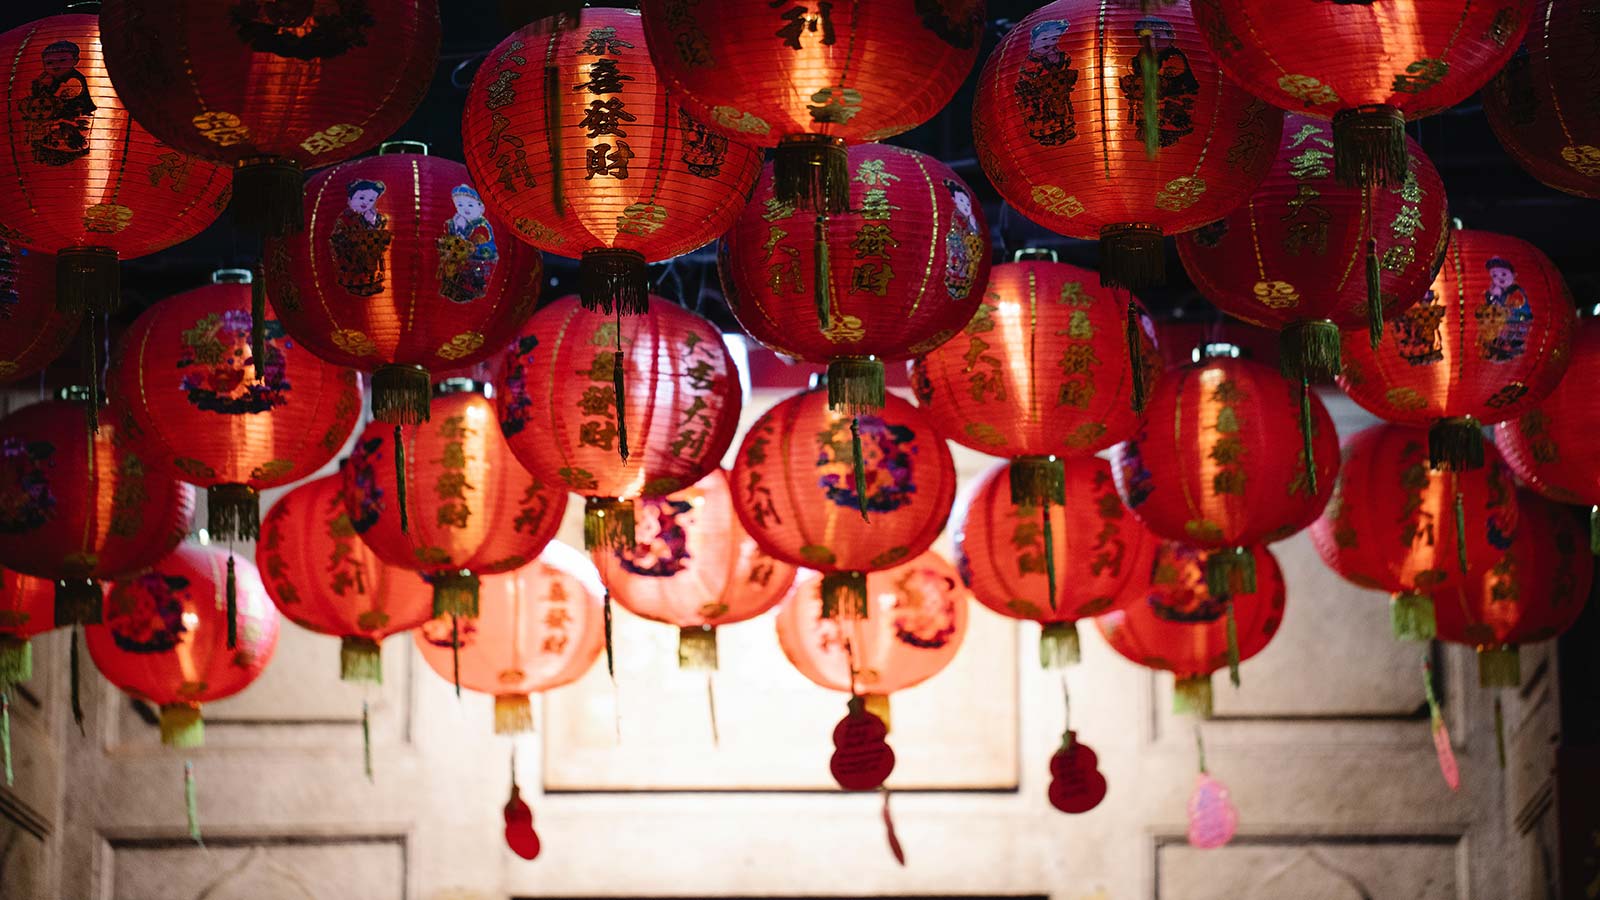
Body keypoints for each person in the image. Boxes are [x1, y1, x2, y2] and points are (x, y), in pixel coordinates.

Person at [24, 40, 95, 166]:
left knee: (68, 139)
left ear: (75, 61)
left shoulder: (74, 79)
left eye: (62, 61)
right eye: (50, 62)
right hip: (55, 119)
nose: (56, 66)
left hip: (74, 115)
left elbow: (57, 98)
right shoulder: (49, 78)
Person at [1014, 19, 1078, 146]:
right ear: (1033, 42)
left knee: (1063, 113)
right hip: (1039, 99)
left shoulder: (1062, 56)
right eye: (1044, 39)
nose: (1048, 43)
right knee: (1044, 118)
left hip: (1059, 94)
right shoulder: (1030, 63)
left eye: (1054, 39)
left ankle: (1065, 130)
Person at [330, 179, 392, 297]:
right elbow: (337, 237)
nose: (366, 203)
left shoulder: (374, 217)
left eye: (371, 200)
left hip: (371, 255)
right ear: (350, 199)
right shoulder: (346, 218)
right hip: (352, 256)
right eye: (361, 198)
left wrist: (373, 223)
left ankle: (372, 284)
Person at [438, 185, 498, 303]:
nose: (465, 208)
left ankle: (467, 291)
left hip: (478, 259)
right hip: (459, 257)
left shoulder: (481, 225)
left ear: (481, 208)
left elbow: (480, 244)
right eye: (460, 205)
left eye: (470, 205)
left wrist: (467, 246)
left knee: (469, 278)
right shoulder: (457, 221)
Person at [1478, 256, 1532, 361]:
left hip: (1517, 320)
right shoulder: (1496, 292)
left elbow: (1516, 305)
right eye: (1494, 276)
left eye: (1504, 274)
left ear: (1514, 275)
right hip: (1502, 322)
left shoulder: (1516, 291)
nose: (1500, 278)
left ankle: (1511, 347)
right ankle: (1496, 347)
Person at [943, 179, 985, 301]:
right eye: (961, 201)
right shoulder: (956, 218)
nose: (965, 207)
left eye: (968, 204)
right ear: (954, 200)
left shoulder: (971, 221)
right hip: (957, 249)